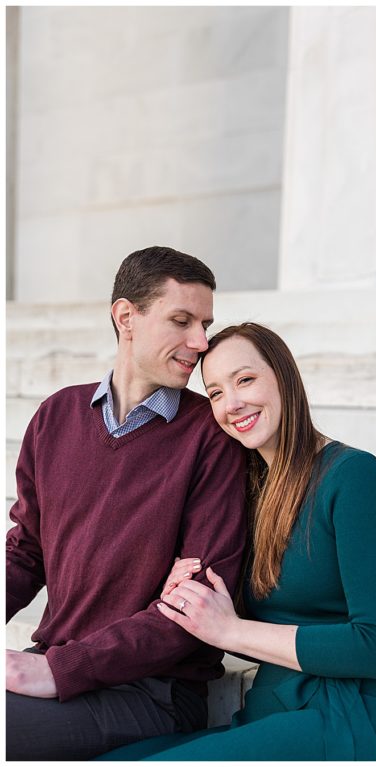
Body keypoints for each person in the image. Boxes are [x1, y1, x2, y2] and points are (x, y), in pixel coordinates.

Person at [101, 322, 376, 760]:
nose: (232, 404)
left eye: (245, 380)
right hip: (274, 709)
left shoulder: (353, 476)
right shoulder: (249, 486)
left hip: (349, 715)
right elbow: (248, 616)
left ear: (283, 377)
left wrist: (231, 629)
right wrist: (188, 595)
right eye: (214, 393)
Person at [5, 246, 248, 760]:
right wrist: (53, 665)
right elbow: (27, 552)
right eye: (181, 320)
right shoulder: (56, 416)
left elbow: (197, 602)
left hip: (154, 690)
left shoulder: (211, 436)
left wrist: (60, 670)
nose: (200, 342)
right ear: (125, 317)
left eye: (205, 323)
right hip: (62, 664)